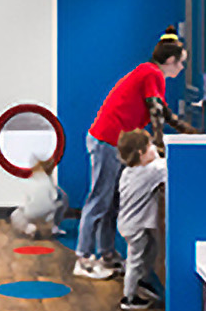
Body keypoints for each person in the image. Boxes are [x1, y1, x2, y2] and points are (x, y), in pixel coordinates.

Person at [74, 31, 197, 280]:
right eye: (181, 62)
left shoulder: (148, 73)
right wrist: (160, 146)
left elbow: (163, 111)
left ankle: (106, 254)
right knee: (99, 199)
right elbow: (155, 111)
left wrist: (188, 131)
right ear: (170, 61)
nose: (182, 67)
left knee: (112, 201)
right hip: (107, 140)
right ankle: (83, 258)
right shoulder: (152, 73)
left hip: (113, 142)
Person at [115, 129, 167, 311]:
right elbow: (168, 166)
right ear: (140, 153)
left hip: (129, 223)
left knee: (148, 251)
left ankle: (142, 281)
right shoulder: (150, 172)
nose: (154, 148)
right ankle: (128, 298)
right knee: (135, 259)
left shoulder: (129, 172)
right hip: (136, 226)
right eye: (150, 146)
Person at [9, 154, 66, 238]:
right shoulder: (49, 182)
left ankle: (28, 229)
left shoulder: (30, 182)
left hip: (30, 213)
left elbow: (23, 202)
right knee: (63, 201)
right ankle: (55, 227)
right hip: (47, 213)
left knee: (15, 214)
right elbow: (55, 196)